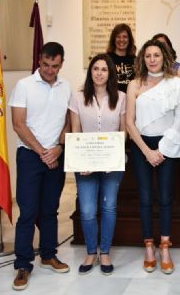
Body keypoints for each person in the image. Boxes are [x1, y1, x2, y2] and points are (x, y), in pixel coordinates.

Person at [9, 42, 71, 291]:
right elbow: (18, 124)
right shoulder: (24, 86)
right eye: (45, 64)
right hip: (30, 156)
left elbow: (69, 121)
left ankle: (48, 254)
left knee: (50, 209)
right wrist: (43, 151)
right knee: (27, 211)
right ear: (40, 60)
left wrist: (58, 147)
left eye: (54, 66)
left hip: (56, 154)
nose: (49, 70)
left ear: (61, 64)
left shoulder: (66, 87)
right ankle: (23, 264)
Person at [125, 39, 180, 274]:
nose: (152, 59)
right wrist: (147, 151)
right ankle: (149, 246)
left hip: (168, 145)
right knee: (144, 197)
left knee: (165, 197)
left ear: (164, 58)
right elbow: (129, 123)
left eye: (156, 55)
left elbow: (179, 119)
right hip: (142, 146)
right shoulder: (134, 85)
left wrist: (161, 149)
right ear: (143, 58)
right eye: (148, 55)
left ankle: (164, 247)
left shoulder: (175, 84)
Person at [69, 54, 125, 276]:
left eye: (104, 69)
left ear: (110, 73)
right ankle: (91, 251)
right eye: (96, 69)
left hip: (113, 163)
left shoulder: (120, 97)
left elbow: (124, 131)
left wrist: (113, 158)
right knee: (88, 210)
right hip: (85, 164)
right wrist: (80, 160)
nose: (99, 73)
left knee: (109, 207)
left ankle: (105, 252)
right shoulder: (78, 97)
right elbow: (75, 131)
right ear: (90, 72)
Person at [106, 23, 136, 93]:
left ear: (129, 39)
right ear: (114, 39)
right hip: (111, 100)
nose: (121, 39)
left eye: (125, 37)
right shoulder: (106, 59)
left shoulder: (136, 60)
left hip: (130, 100)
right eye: (118, 37)